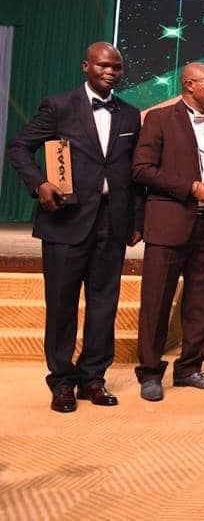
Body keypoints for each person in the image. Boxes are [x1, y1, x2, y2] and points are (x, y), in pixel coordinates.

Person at [7, 42, 144, 413]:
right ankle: (62, 381)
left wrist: (136, 219)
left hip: (112, 221)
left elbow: (133, 173)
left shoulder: (130, 114)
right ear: (86, 66)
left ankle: (93, 378)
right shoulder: (59, 105)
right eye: (103, 66)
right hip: (65, 221)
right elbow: (19, 147)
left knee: (104, 305)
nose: (110, 72)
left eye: (116, 67)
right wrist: (39, 183)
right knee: (62, 305)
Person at [132, 62, 204, 402]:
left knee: (202, 302)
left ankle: (190, 368)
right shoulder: (160, 119)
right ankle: (150, 373)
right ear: (190, 85)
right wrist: (189, 187)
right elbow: (142, 169)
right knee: (156, 302)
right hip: (169, 224)